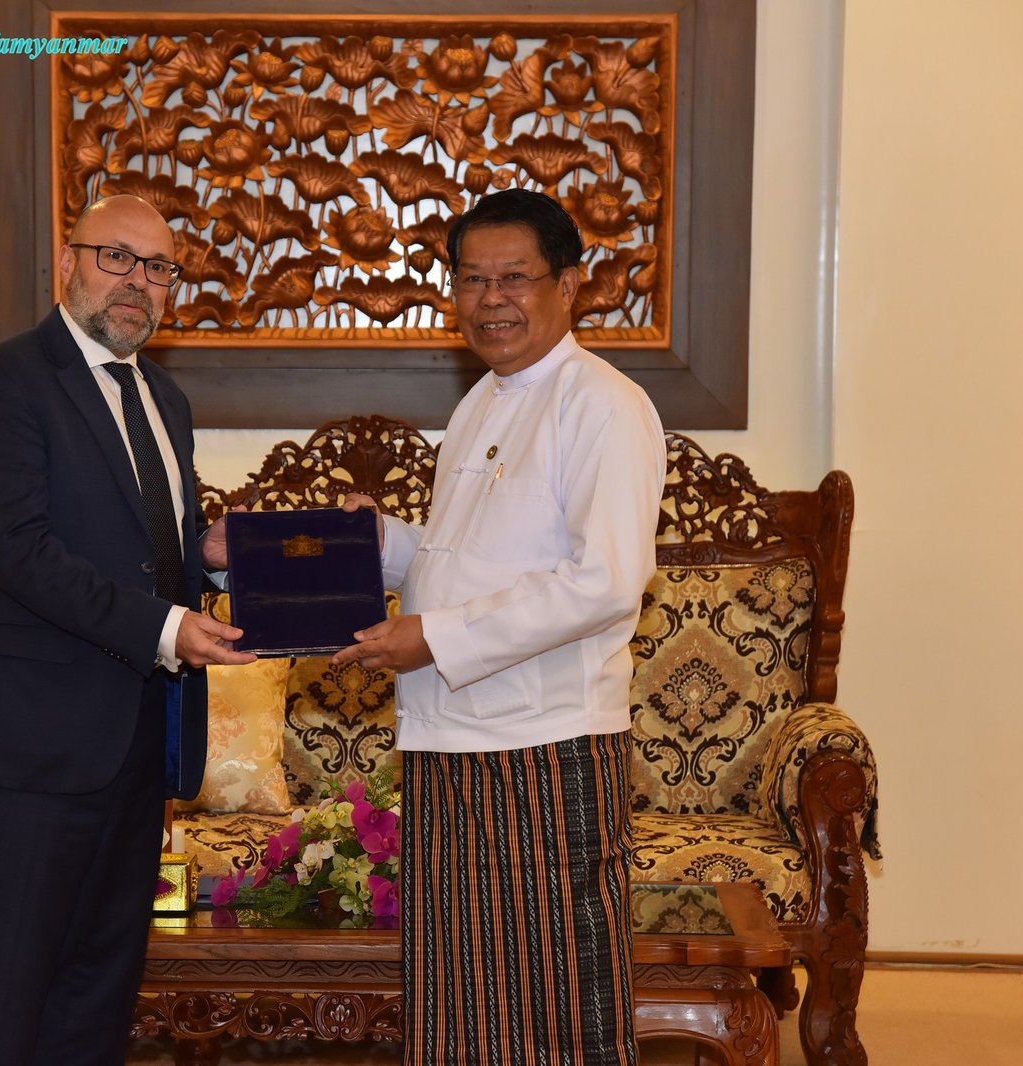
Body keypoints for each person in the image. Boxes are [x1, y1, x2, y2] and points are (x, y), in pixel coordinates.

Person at [333, 188, 666, 1066]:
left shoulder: (603, 404)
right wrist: (380, 547)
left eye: (514, 277)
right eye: (472, 279)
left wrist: (435, 637)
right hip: (450, 741)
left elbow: (605, 579)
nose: (491, 299)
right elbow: (466, 556)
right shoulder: (483, 400)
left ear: (570, 286)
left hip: (543, 749)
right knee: (458, 1004)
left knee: (555, 1006)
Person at [0, 193, 255, 1066]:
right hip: (30, 748)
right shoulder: (0, 383)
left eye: (157, 269)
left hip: (137, 744)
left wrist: (208, 558)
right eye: (116, 258)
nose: (136, 284)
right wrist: (168, 625)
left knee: (99, 989)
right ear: (66, 261)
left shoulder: (165, 399)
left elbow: (145, 550)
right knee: (6, 994)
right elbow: (21, 551)